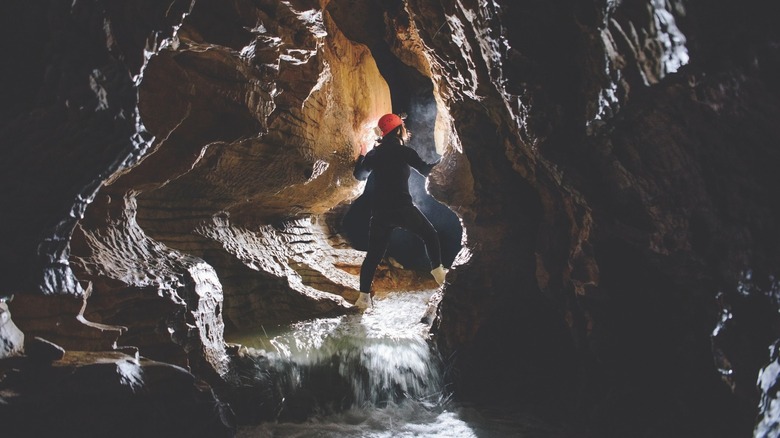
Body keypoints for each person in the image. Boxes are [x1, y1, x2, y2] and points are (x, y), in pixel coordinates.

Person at [352, 113, 447, 310]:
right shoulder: (404, 152)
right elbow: (426, 169)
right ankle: (438, 272)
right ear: (398, 130)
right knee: (429, 234)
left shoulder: (374, 154)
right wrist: (446, 160)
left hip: (380, 213)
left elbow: (359, 175)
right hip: (402, 208)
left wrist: (362, 154)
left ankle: (363, 299)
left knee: (373, 256)